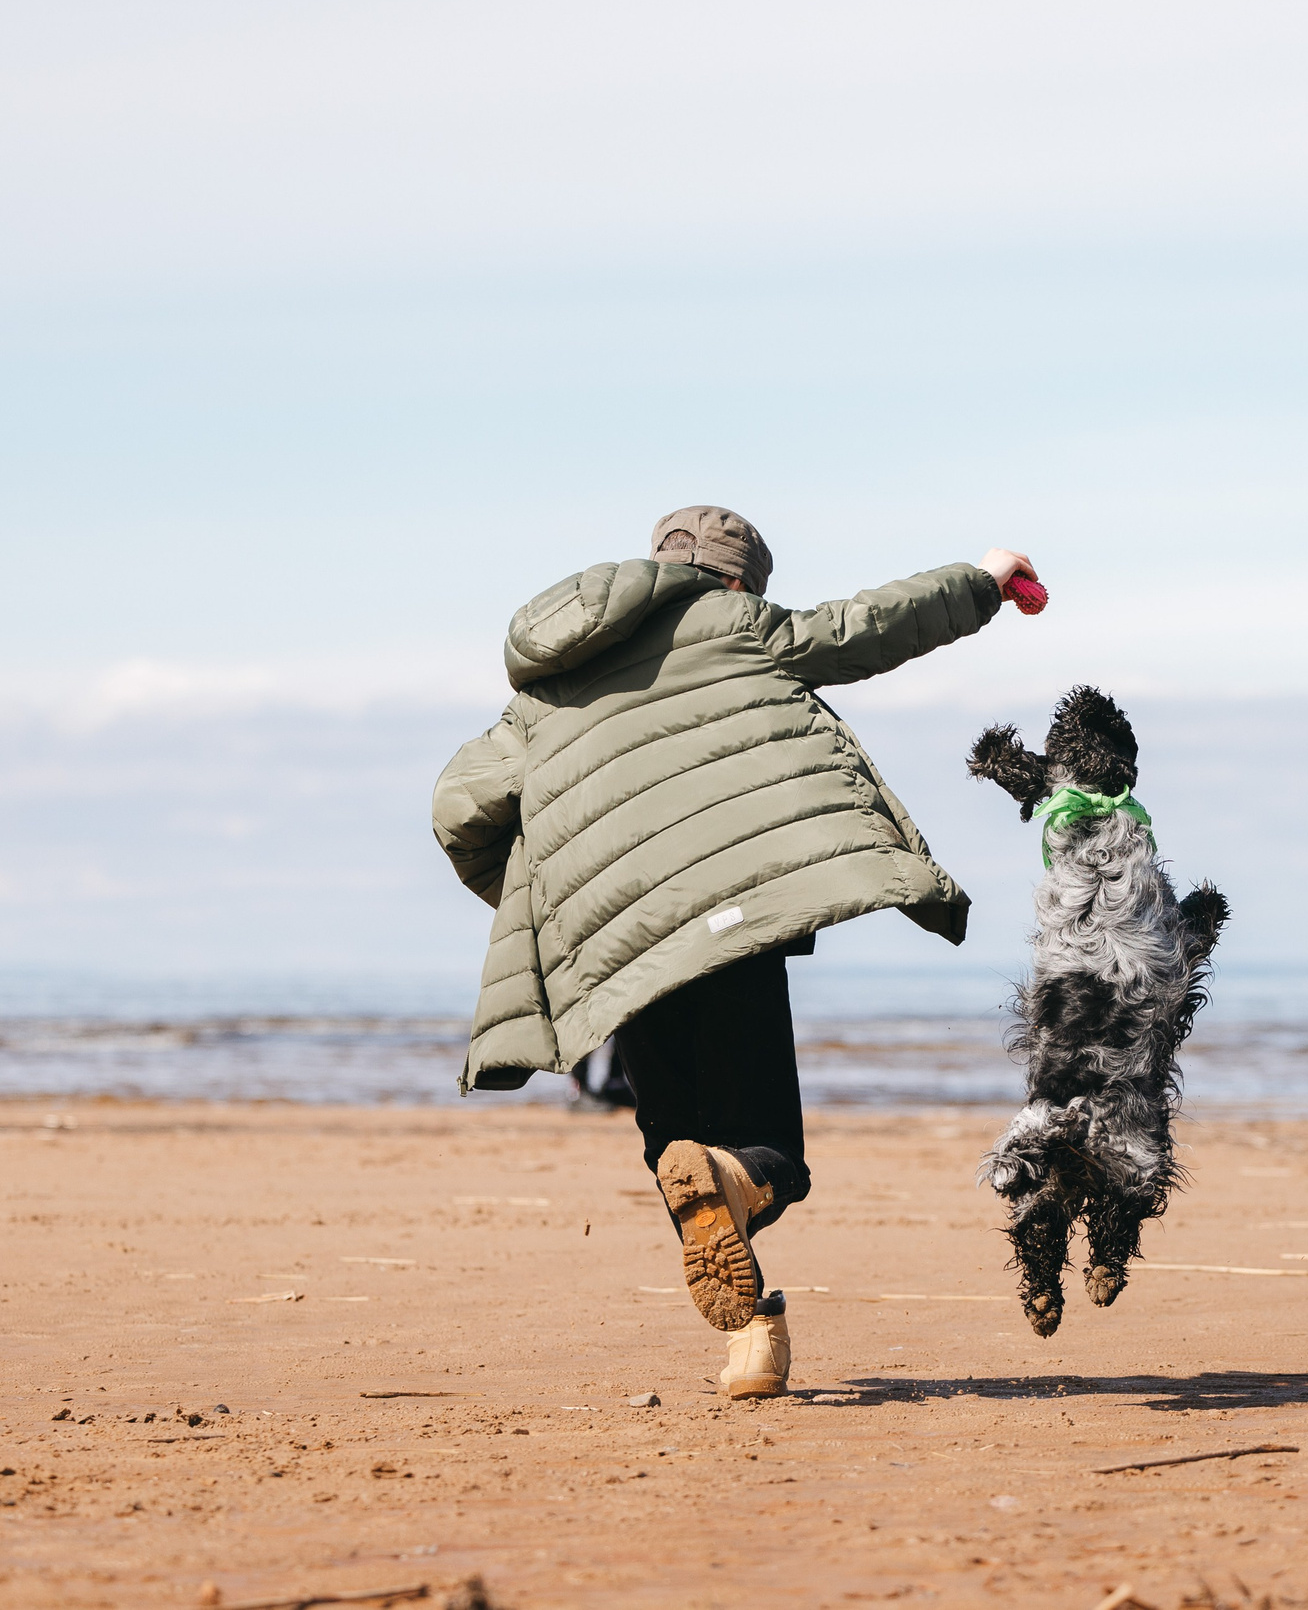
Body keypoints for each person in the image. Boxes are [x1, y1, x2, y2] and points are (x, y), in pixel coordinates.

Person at [432, 505, 1036, 1400]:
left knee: (683, 1158)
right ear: (739, 578)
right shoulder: (736, 622)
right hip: (729, 914)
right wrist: (984, 582)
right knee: (765, 1158)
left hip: (619, 948)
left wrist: (561, 893)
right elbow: (869, 626)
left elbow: (457, 805)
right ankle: (743, 1233)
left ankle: (757, 1342)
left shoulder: (543, 692)